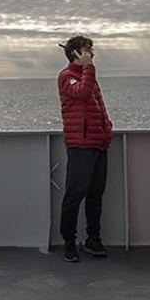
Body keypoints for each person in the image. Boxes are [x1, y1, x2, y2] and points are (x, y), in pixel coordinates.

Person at [56, 35, 113, 262]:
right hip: (80, 145)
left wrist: (107, 131)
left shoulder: (89, 76)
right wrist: (88, 67)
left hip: (98, 144)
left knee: (96, 194)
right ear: (76, 54)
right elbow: (82, 93)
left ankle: (93, 239)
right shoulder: (66, 76)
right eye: (87, 50)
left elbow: (98, 106)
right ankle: (69, 243)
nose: (92, 54)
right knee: (74, 195)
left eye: (91, 50)